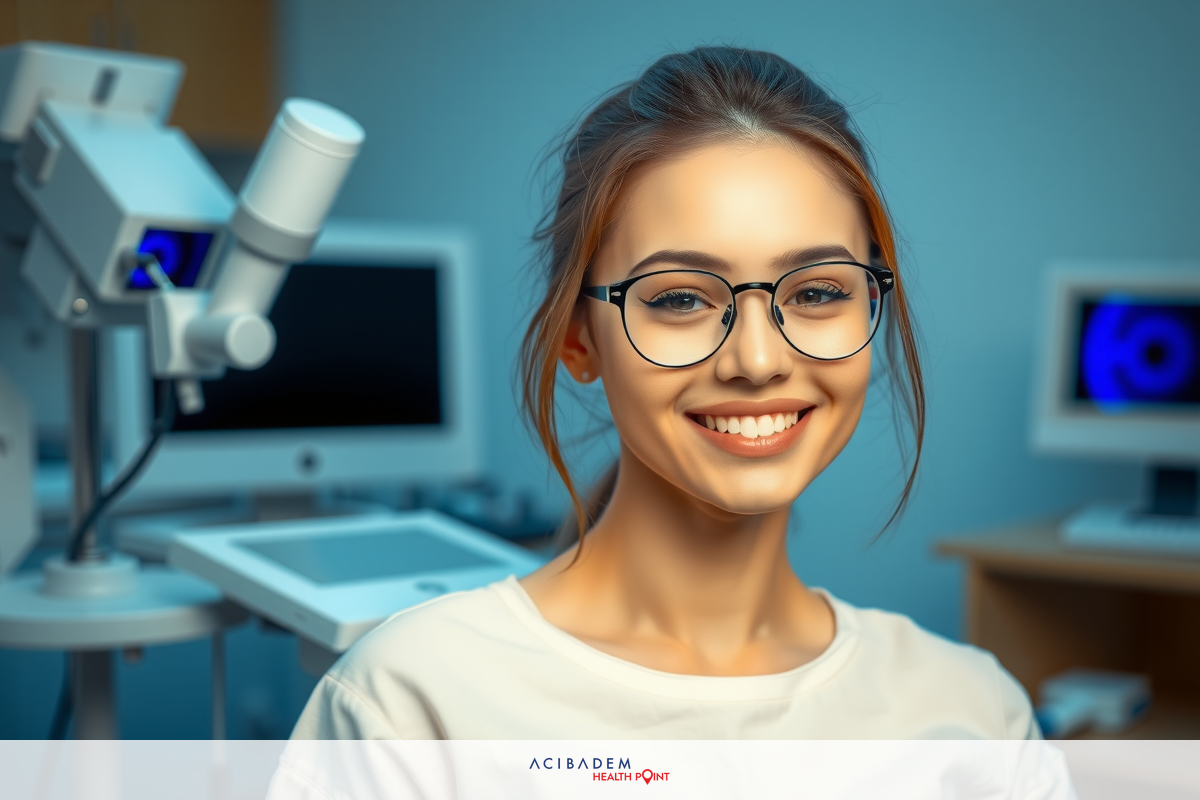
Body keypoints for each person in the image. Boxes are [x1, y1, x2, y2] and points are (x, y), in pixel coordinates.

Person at [289, 46, 1039, 740]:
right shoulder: (410, 701)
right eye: (680, 298)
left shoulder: (973, 710)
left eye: (816, 292)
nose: (757, 359)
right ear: (577, 340)